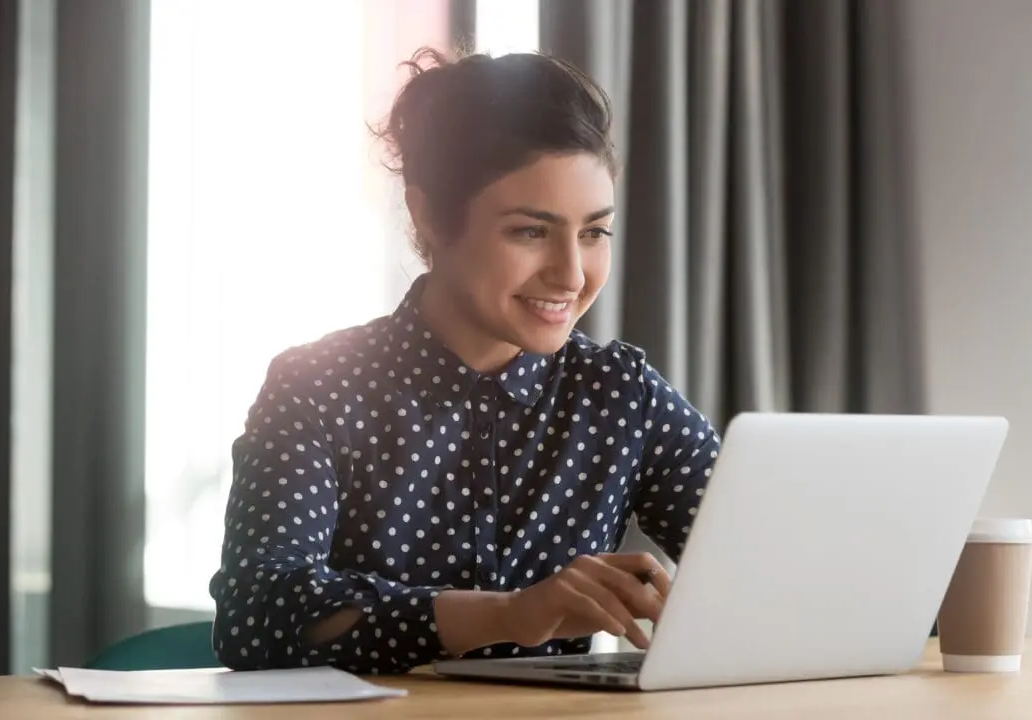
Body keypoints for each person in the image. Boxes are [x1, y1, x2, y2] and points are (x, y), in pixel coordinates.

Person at [209, 48, 721, 675]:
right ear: (428, 214)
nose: (571, 274)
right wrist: (509, 614)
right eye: (530, 232)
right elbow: (257, 616)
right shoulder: (317, 386)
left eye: (593, 233)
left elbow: (768, 562)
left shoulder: (620, 394)